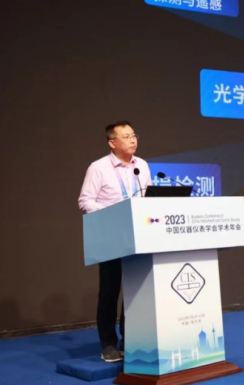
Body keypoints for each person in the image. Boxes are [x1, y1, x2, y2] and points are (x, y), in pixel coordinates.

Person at [78, 121, 152, 362]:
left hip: (138, 235)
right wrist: (112, 214)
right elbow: (85, 201)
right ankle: (108, 343)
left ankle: (130, 339)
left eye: (134, 135)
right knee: (110, 291)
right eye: (126, 136)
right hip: (111, 236)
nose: (133, 140)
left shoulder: (142, 165)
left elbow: (147, 197)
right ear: (112, 142)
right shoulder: (98, 167)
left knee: (135, 290)